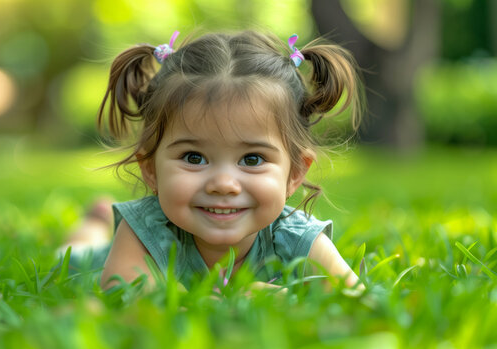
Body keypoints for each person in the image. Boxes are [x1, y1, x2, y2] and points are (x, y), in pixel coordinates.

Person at [64, 29, 363, 293]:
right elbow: (130, 297)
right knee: (78, 252)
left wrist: (287, 302)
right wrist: (213, 302)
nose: (223, 184)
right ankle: (92, 226)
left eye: (252, 159)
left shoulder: (296, 239)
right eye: (194, 158)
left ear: (294, 174)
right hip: (98, 258)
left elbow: (354, 299)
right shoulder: (145, 229)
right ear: (150, 169)